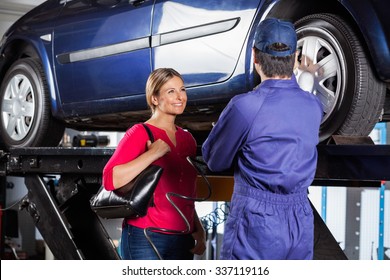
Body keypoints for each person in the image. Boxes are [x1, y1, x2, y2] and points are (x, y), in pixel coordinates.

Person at [202, 18, 323, 260]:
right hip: (300, 218)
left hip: (258, 222)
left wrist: (224, 129)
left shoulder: (245, 107)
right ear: (295, 57)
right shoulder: (313, 106)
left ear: (255, 56)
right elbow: (292, 104)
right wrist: (304, 75)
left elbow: (215, 161)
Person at [103, 68, 206, 260]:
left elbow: (184, 193)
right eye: (170, 91)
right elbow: (110, 179)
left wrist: (198, 229)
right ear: (155, 99)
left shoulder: (187, 139)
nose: (179, 96)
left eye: (182, 90)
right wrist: (153, 154)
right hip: (146, 236)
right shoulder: (140, 132)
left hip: (182, 238)